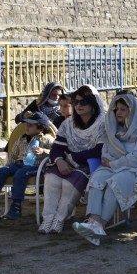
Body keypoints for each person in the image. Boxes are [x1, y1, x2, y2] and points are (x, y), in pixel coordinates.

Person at [72, 94, 137, 246]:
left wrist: (115, 163)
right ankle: (93, 222)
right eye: (117, 109)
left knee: (114, 183)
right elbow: (106, 150)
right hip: (113, 166)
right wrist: (111, 161)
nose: (118, 112)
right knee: (96, 179)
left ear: (132, 111)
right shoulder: (113, 129)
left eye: (123, 109)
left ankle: (99, 226)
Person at [39, 86, 106, 234]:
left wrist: (73, 157)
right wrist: (59, 161)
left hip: (89, 165)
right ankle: (48, 219)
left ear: (93, 104)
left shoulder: (103, 123)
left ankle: (59, 220)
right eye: (75, 102)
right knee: (51, 179)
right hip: (65, 162)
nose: (78, 105)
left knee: (68, 183)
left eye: (83, 102)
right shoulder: (68, 124)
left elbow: (99, 150)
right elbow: (57, 148)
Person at [0, 112, 55, 220]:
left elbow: (56, 152)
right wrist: (8, 167)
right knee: (0, 171)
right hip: (18, 164)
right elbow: (13, 154)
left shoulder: (47, 138)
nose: (27, 127)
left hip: (36, 167)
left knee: (20, 174)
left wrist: (44, 151)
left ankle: (16, 206)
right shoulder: (22, 138)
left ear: (41, 128)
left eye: (31, 125)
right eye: (27, 124)